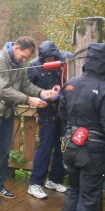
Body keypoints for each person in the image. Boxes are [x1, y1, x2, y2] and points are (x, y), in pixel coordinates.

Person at [0, 37, 59, 203]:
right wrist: (30, 100)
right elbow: (4, 90)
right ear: (16, 48)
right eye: (24, 56)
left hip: (8, 112)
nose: (25, 60)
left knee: (4, 151)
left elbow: (26, 85)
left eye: (27, 58)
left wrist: (42, 93)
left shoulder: (18, 63)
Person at [59, 43, 105, 211]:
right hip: (92, 150)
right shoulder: (102, 87)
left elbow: (62, 115)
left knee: (72, 191)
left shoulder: (71, 84)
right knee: (88, 198)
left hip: (70, 146)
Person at [26, 41, 74, 198]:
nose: (48, 62)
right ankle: (35, 184)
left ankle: (54, 180)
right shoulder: (34, 66)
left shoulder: (66, 60)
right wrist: (39, 95)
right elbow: (26, 86)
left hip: (64, 111)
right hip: (47, 111)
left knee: (62, 147)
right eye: (45, 59)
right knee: (44, 148)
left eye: (51, 58)